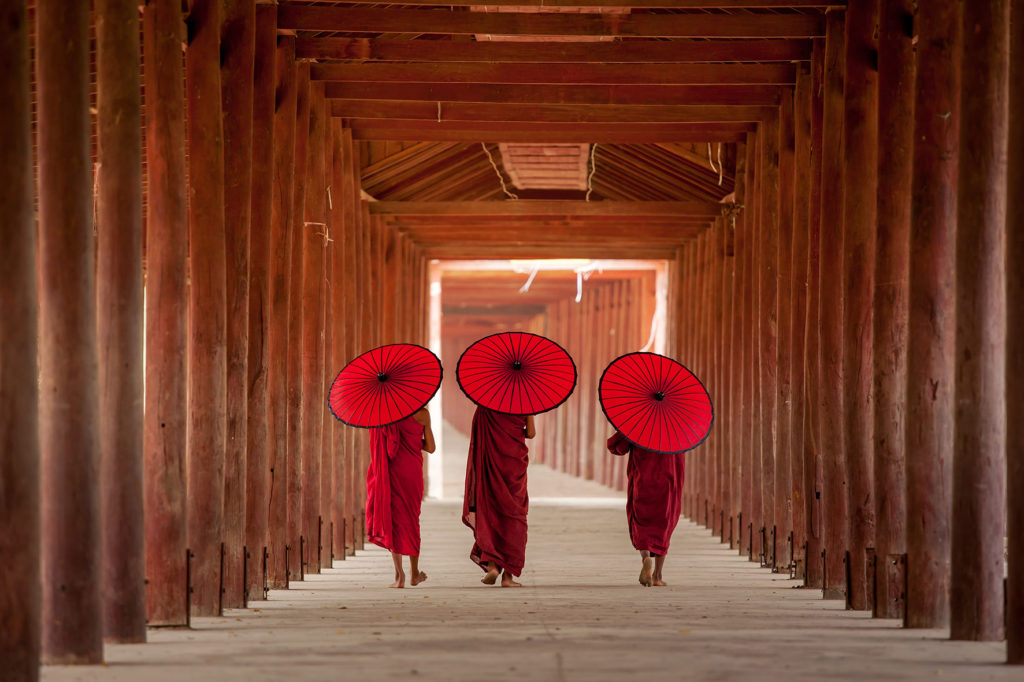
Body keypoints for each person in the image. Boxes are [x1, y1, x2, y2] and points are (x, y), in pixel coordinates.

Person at [462, 406, 536, 587]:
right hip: (514, 466)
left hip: (491, 464)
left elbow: (477, 438)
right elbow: (531, 433)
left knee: (491, 511)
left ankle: (493, 566)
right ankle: (508, 577)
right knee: (515, 515)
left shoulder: (485, 407)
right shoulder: (525, 403)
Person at [366, 407, 435, 588]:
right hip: (412, 471)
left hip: (392, 471)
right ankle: (414, 573)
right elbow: (431, 447)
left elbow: (384, 447)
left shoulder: (386, 414)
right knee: (412, 520)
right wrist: (412, 443)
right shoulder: (423, 414)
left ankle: (399, 576)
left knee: (393, 519)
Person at [607, 430, 685, 587]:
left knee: (641, 523)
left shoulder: (640, 424)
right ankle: (657, 575)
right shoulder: (677, 428)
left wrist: (628, 430)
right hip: (668, 482)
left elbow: (616, 446)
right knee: (665, 524)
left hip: (643, 480)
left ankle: (646, 558)